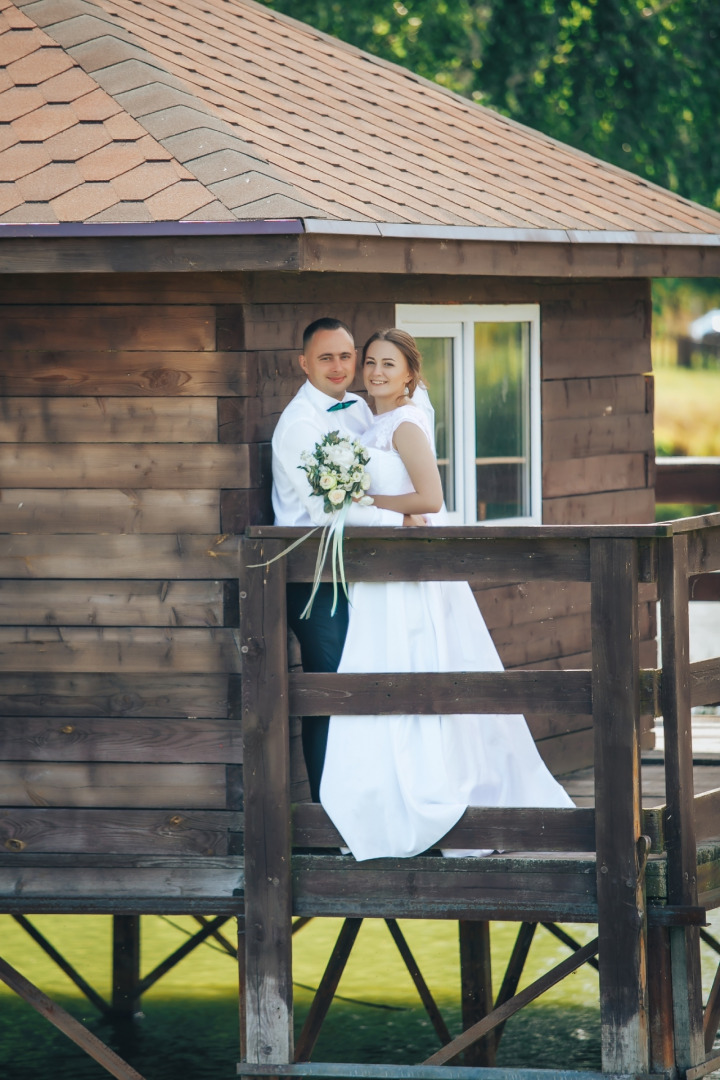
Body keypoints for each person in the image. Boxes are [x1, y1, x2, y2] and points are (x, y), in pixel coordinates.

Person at [319, 328, 574, 861]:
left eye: (388, 365)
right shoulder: (372, 421)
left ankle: (437, 789)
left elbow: (431, 497)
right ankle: (387, 796)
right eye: (370, 363)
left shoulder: (406, 424)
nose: (375, 373)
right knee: (382, 670)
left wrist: (369, 497)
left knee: (417, 664)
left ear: (411, 374)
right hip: (382, 576)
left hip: (410, 574)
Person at [271, 318, 419, 802]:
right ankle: (329, 819)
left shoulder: (359, 408)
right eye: (325, 357)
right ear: (303, 364)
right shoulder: (299, 425)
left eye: (346, 355)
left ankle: (372, 806)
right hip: (316, 580)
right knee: (331, 695)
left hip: (363, 577)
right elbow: (328, 508)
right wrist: (401, 521)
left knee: (371, 690)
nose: (340, 367)